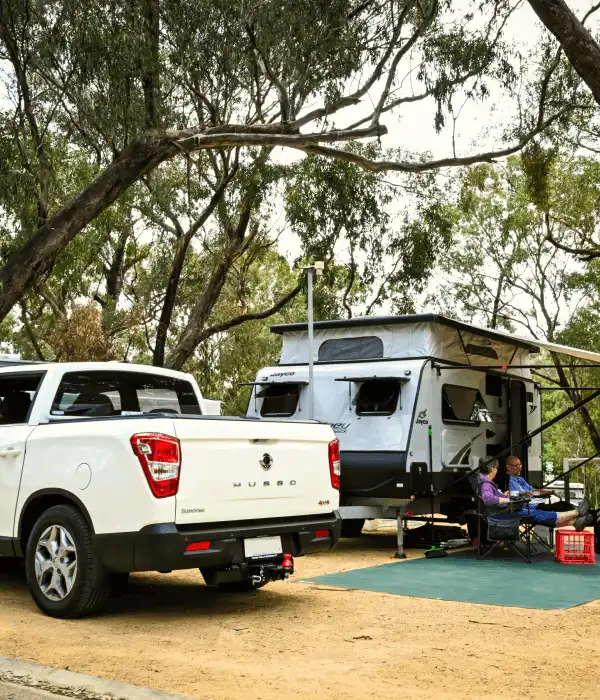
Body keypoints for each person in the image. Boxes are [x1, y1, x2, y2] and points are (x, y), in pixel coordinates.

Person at [478, 460, 592, 531]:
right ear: (492, 468)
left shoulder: (486, 483)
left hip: (503, 512)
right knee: (535, 514)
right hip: (500, 516)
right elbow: (488, 499)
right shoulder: (486, 484)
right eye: (496, 468)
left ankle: (574, 522)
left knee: (537, 514)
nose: (497, 470)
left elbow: (531, 492)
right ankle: (577, 512)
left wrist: (505, 495)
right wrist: (505, 498)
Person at [505, 455, 584, 513]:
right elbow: (511, 496)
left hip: (535, 504)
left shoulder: (520, 479)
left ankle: (586, 512)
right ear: (508, 467)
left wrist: (551, 492)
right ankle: (582, 512)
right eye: (516, 465)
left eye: (520, 465)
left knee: (564, 504)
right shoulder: (507, 480)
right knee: (562, 506)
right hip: (527, 509)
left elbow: (534, 492)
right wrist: (524, 494)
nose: (519, 468)